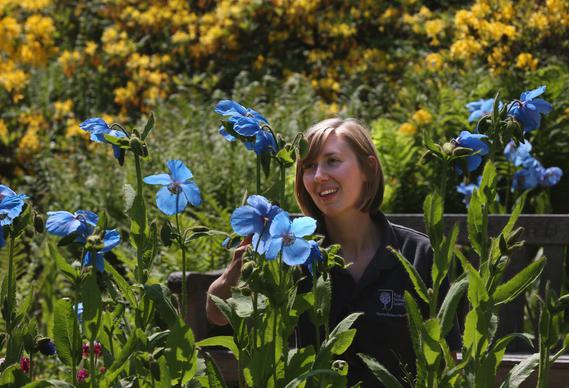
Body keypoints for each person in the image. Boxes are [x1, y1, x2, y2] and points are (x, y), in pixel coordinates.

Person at [206, 118, 459, 386]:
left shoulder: (419, 255)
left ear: (369, 168)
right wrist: (238, 268)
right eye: (309, 166)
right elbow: (217, 313)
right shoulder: (291, 251)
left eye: (332, 161)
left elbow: (447, 360)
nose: (318, 176)